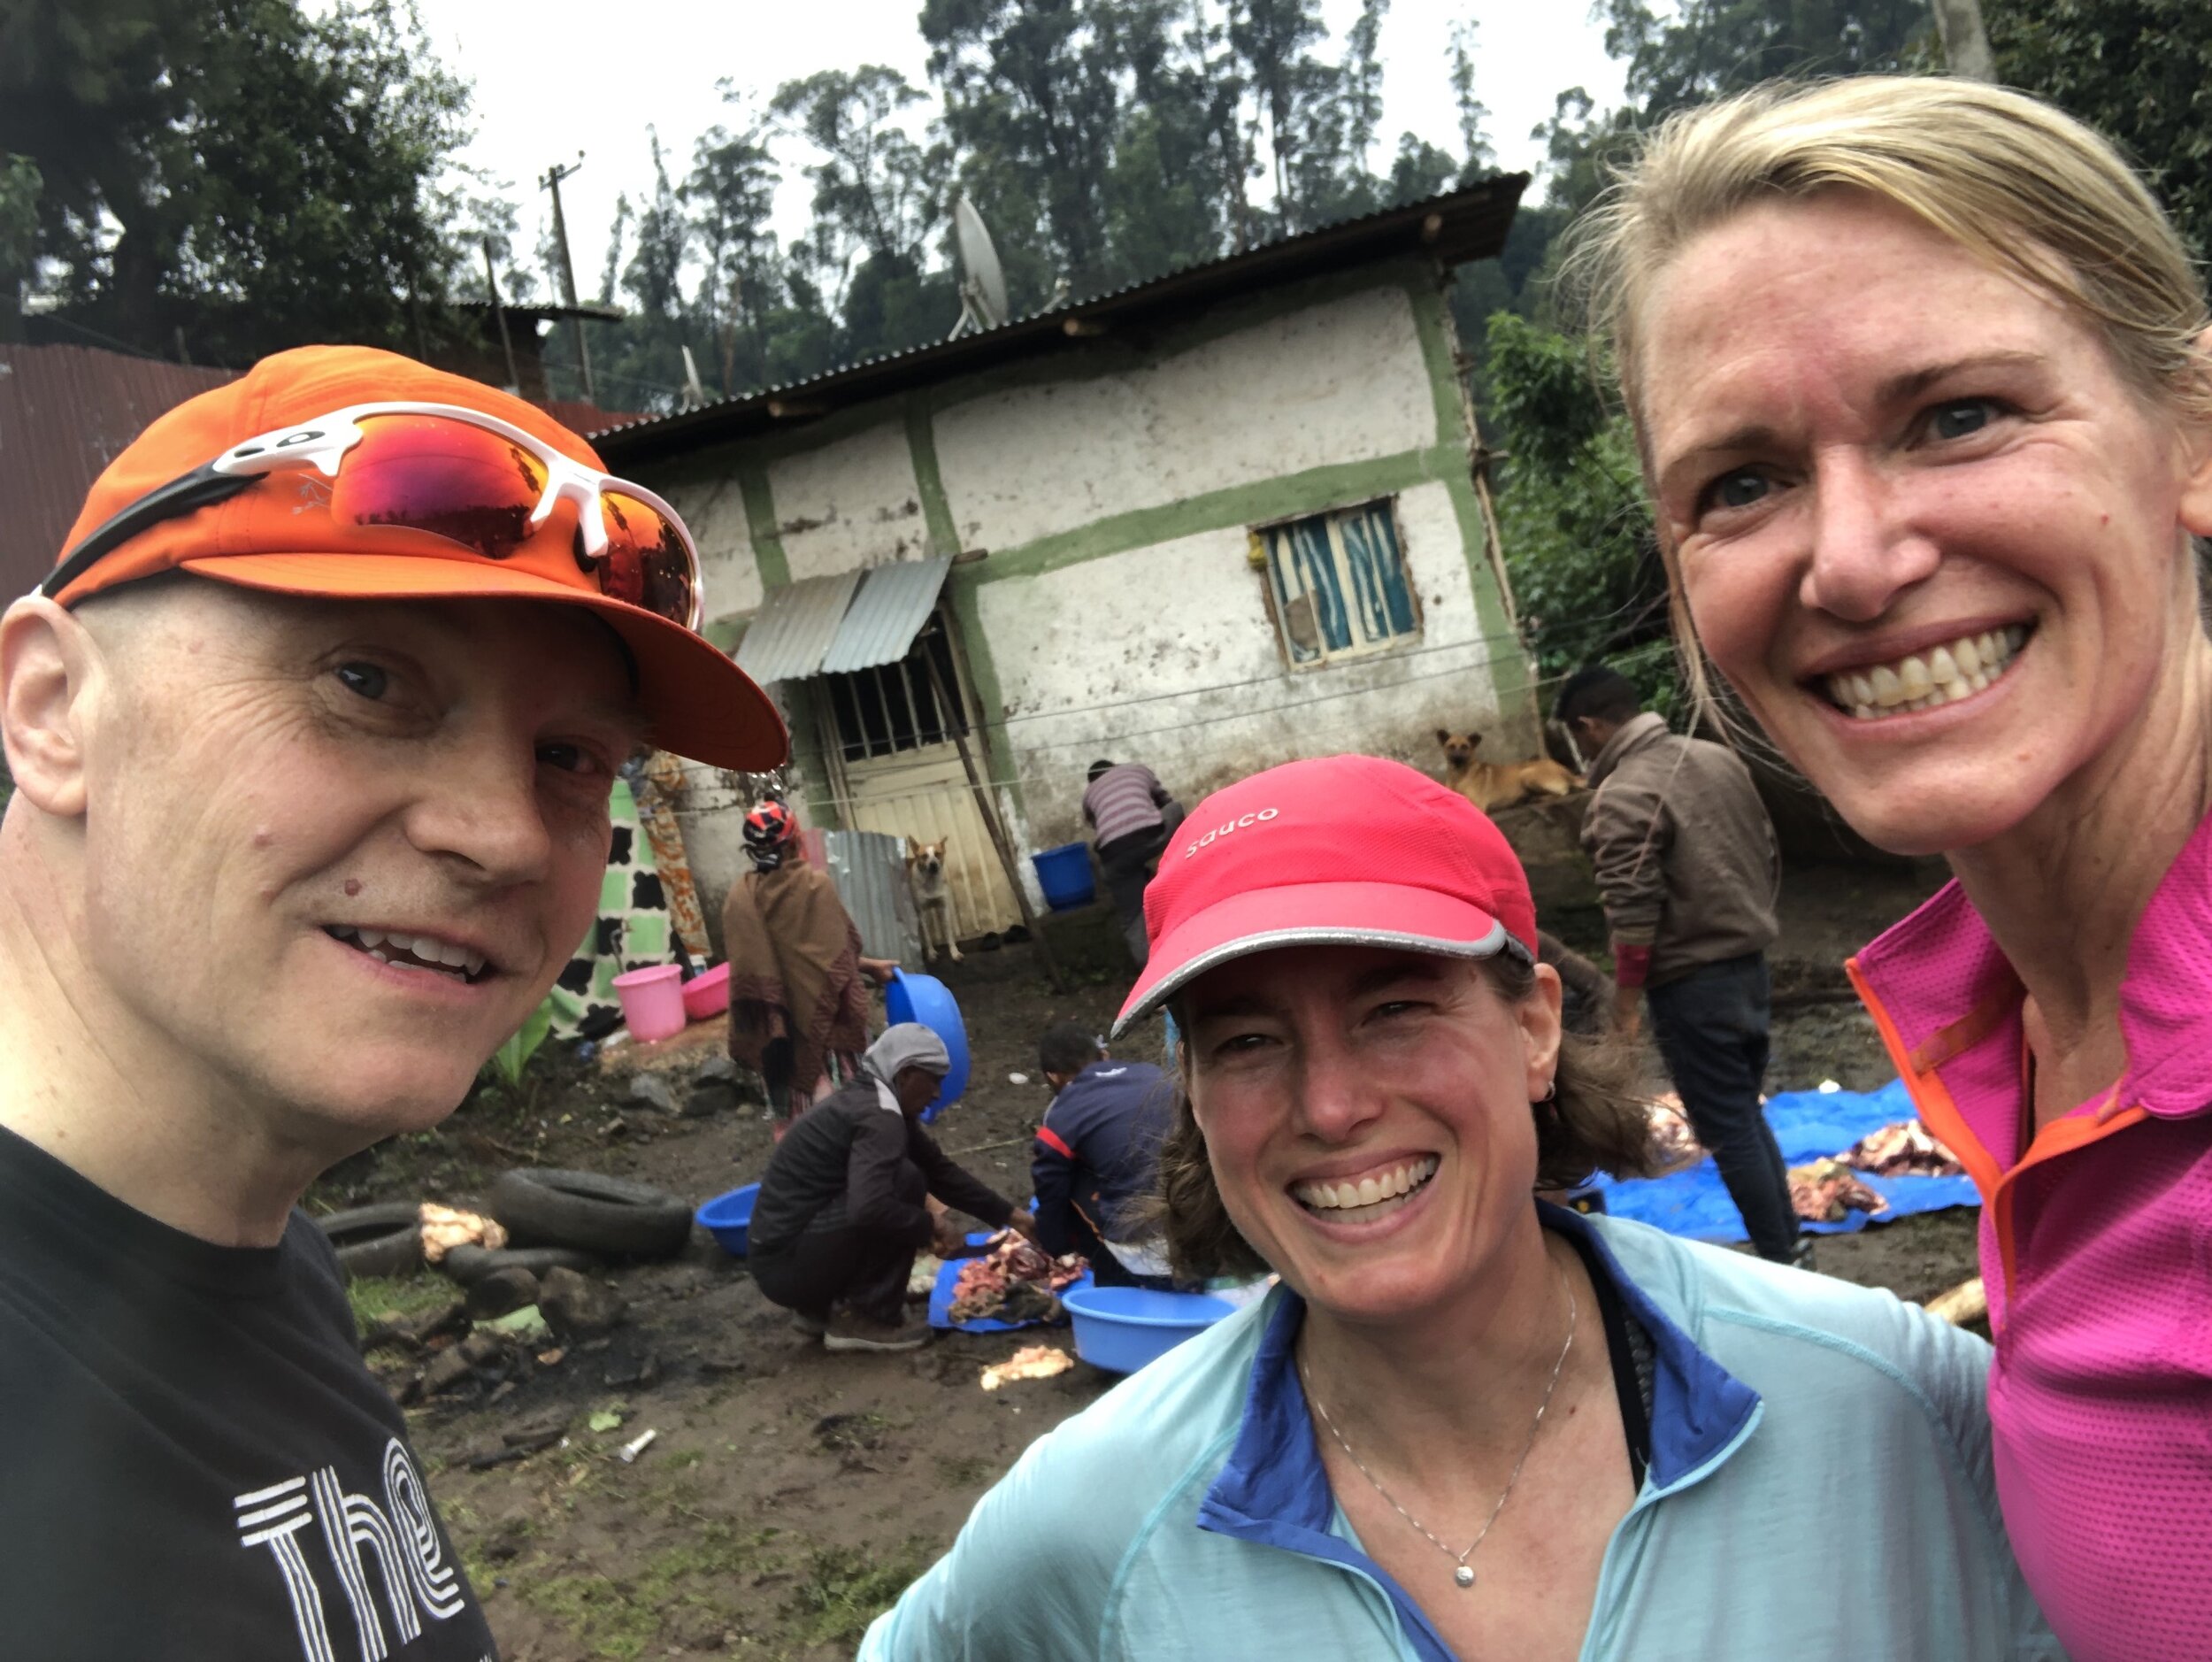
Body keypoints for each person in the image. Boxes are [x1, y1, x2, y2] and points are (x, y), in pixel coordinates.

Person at [862, 756, 2055, 1660]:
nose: (1330, 1105)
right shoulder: (1098, 1516)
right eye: (1247, 1039)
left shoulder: (1886, 1411)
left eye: (1396, 1009)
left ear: (1535, 1024)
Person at [1562, 73, 2212, 1660]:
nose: (1851, 560)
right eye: (1743, 482)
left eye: (1960, 415)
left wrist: (1631, 990)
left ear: (2190, 435)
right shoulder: (2036, 1033)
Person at [0, 345, 786, 1658]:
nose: (508, 836)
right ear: (53, 709)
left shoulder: (264, 1256)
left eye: (568, 755)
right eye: (367, 681)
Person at [1554, 665, 1799, 1265]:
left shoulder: (1624, 794)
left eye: (1574, 738)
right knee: (1742, 1111)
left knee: (1727, 1127)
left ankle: (1783, 1257)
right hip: (1749, 966)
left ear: (1589, 727)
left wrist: (1627, 1008)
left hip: (1693, 985)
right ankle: (1789, 1241)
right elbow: (1767, 850)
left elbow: (1632, 915)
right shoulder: (1716, 759)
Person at [748, 1024, 1037, 1354]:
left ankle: (823, 1308)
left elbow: (939, 1171)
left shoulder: (874, 1100)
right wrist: (932, 1225)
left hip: (783, 1259)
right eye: (935, 1081)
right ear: (906, 1074)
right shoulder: (878, 1116)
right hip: (787, 1267)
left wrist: (1014, 1218)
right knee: (904, 1182)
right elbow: (867, 1208)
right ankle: (867, 1318)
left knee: (905, 1178)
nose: (938, 1094)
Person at [723, 797, 897, 1132]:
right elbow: (831, 961)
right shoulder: (815, 887)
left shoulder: (739, 898)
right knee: (852, 1128)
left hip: (780, 1041)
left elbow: (786, 963)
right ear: (796, 840)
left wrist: (869, 966)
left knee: (797, 1136)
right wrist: (868, 966)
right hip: (832, 1037)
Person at [1029, 1020, 1174, 1287]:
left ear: (1053, 1076)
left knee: (1067, 1176)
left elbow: (1050, 1192)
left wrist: (1055, 1247)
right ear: (1104, 1055)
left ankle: (1111, 1276)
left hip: (1147, 1250)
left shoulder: (1062, 1112)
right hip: (1206, 1223)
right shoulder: (1154, 1074)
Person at [1081, 757, 1179, 966]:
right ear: (1115, 767)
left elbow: (1099, 825)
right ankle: (1184, 856)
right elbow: (1164, 801)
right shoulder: (1138, 769)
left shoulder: (1088, 794)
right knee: (1175, 809)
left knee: (1132, 916)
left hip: (1114, 854)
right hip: (1151, 836)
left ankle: (1150, 970)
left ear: (1091, 782)